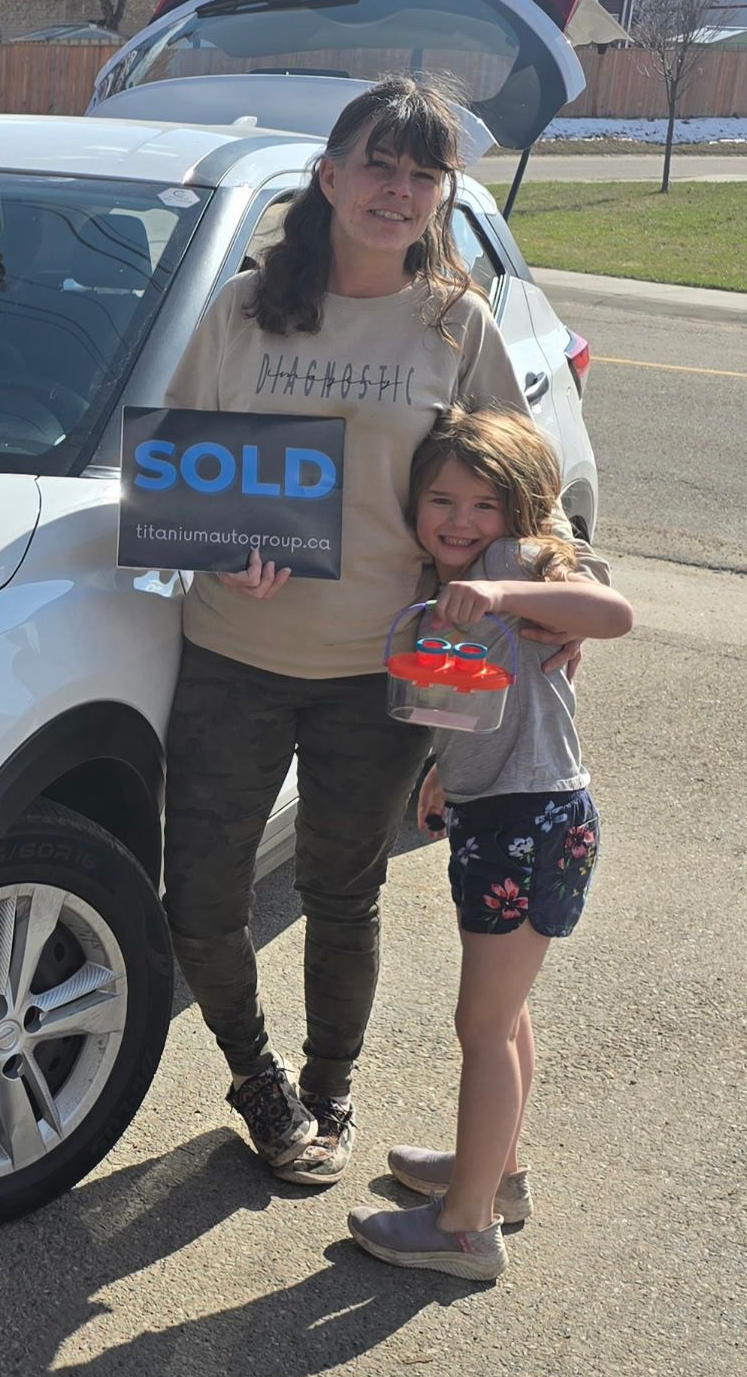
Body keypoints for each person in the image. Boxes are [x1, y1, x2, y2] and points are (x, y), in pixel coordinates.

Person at [160, 75, 575, 1186]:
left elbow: (519, 494)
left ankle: (328, 1088)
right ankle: (256, 1078)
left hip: (384, 669)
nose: (397, 189)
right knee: (199, 897)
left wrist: (550, 596)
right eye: (377, 165)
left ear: (441, 195)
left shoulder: (453, 322)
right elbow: (173, 461)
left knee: (341, 894)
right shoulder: (244, 308)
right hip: (231, 655)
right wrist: (216, 543)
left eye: (422, 174)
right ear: (330, 176)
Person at [348, 407, 632, 1279]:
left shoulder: (508, 565)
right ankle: (495, 1174)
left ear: (518, 509)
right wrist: (446, 768)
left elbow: (613, 611)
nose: (461, 520)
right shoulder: (450, 579)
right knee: (504, 1019)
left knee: (482, 1025)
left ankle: (466, 1229)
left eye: (485, 503)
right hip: (503, 811)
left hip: (530, 820)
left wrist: (505, 592)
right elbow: (476, 696)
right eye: (442, 500)